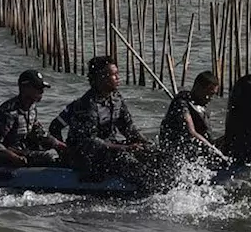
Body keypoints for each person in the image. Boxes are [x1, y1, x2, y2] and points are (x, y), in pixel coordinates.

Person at [60, 55, 171, 193]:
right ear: (100, 78)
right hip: (89, 156)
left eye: (118, 73)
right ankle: (151, 193)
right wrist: (125, 148)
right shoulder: (87, 105)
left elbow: (129, 128)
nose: (118, 78)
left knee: (157, 155)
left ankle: (170, 185)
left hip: (112, 148)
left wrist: (145, 144)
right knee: (127, 161)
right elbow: (90, 142)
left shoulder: (116, 98)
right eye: (114, 75)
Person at [0, 69, 67, 168]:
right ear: (25, 88)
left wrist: (61, 145)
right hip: (5, 155)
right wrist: (14, 157)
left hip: (21, 149)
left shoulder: (32, 109)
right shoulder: (8, 112)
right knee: (48, 157)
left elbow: (39, 133)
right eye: (37, 87)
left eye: (42, 88)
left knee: (49, 148)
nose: (41, 91)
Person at [158, 71, 221, 160]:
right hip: (177, 154)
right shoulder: (181, 103)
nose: (210, 98)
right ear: (198, 88)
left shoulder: (201, 106)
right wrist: (214, 151)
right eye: (208, 94)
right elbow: (191, 132)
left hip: (200, 149)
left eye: (212, 95)